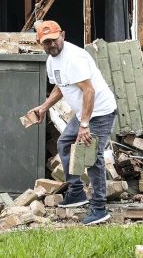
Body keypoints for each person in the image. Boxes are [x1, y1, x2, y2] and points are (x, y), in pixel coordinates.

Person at [26, 21, 117, 226]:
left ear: (63, 35)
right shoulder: (51, 61)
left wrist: (84, 125)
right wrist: (44, 107)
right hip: (84, 112)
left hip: (100, 111)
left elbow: (89, 91)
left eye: (54, 40)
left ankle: (99, 208)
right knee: (64, 143)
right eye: (46, 42)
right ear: (40, 43)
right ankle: (76, 192)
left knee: (92, 155)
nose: (51, 45)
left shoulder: (74, 58)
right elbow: (61, 86)